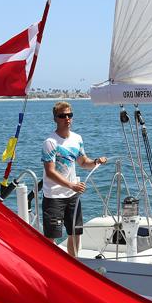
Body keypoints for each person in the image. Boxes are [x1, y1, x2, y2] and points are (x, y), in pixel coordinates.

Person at [41, 101, 107, 257]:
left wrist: (96, 161)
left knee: (75, 232)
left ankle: (74, 262)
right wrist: (72, 185)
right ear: (55, 118)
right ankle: (52, 266)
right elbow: (50, 172)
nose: (67, 119)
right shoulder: (50, 143)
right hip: (54, 196)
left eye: (69, 115)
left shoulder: (77, 138)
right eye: (62, 116)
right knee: (51, 237)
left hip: (72, 195)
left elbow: (83, 162)